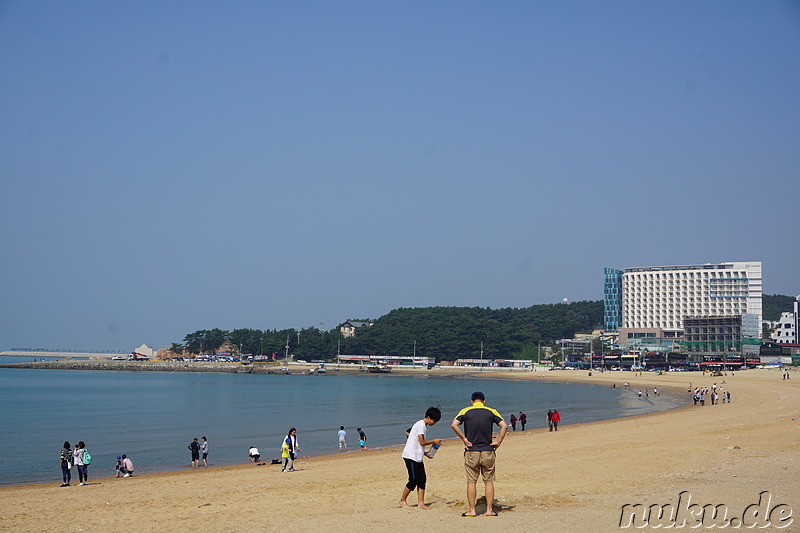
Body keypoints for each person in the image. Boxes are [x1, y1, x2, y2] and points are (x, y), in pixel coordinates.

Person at [451, 391, 508, 517]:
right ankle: (489, 510)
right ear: (484, 401)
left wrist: (464, 439)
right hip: (487, 450)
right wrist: (498, 442)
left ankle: (472, 510)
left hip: (472, 451)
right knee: (488, 481)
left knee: (472, 481)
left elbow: (454, 424)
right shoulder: (491, 411)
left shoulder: (465, 411)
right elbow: (504, 426)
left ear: (472, 401)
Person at [399, 407, 442, 510]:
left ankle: (421, 503)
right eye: (434, 421)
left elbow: (418, 444)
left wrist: (426, 453)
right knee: (413, 480)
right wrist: (434, 441)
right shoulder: (420, 425)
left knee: (422, 479)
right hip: (410, 456)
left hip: (417, 456)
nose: (434, 423)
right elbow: (422, 442)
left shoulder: (423, 425)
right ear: (428, 417)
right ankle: (402, 500)